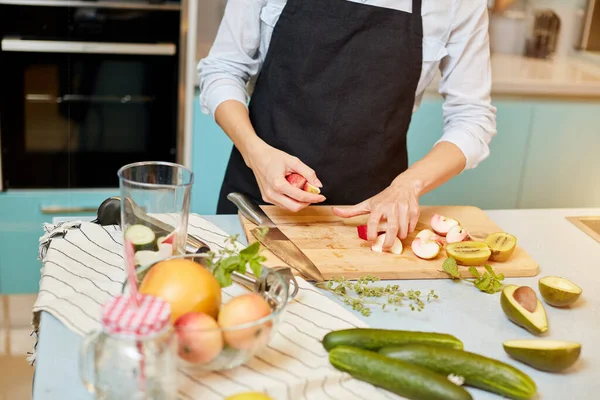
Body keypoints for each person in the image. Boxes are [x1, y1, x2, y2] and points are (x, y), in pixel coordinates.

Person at [198, 0, 497, 251]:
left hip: (369, 220)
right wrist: (256, 153)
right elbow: (222, 70)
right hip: (258, 202)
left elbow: (472, 117)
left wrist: (409, 185)